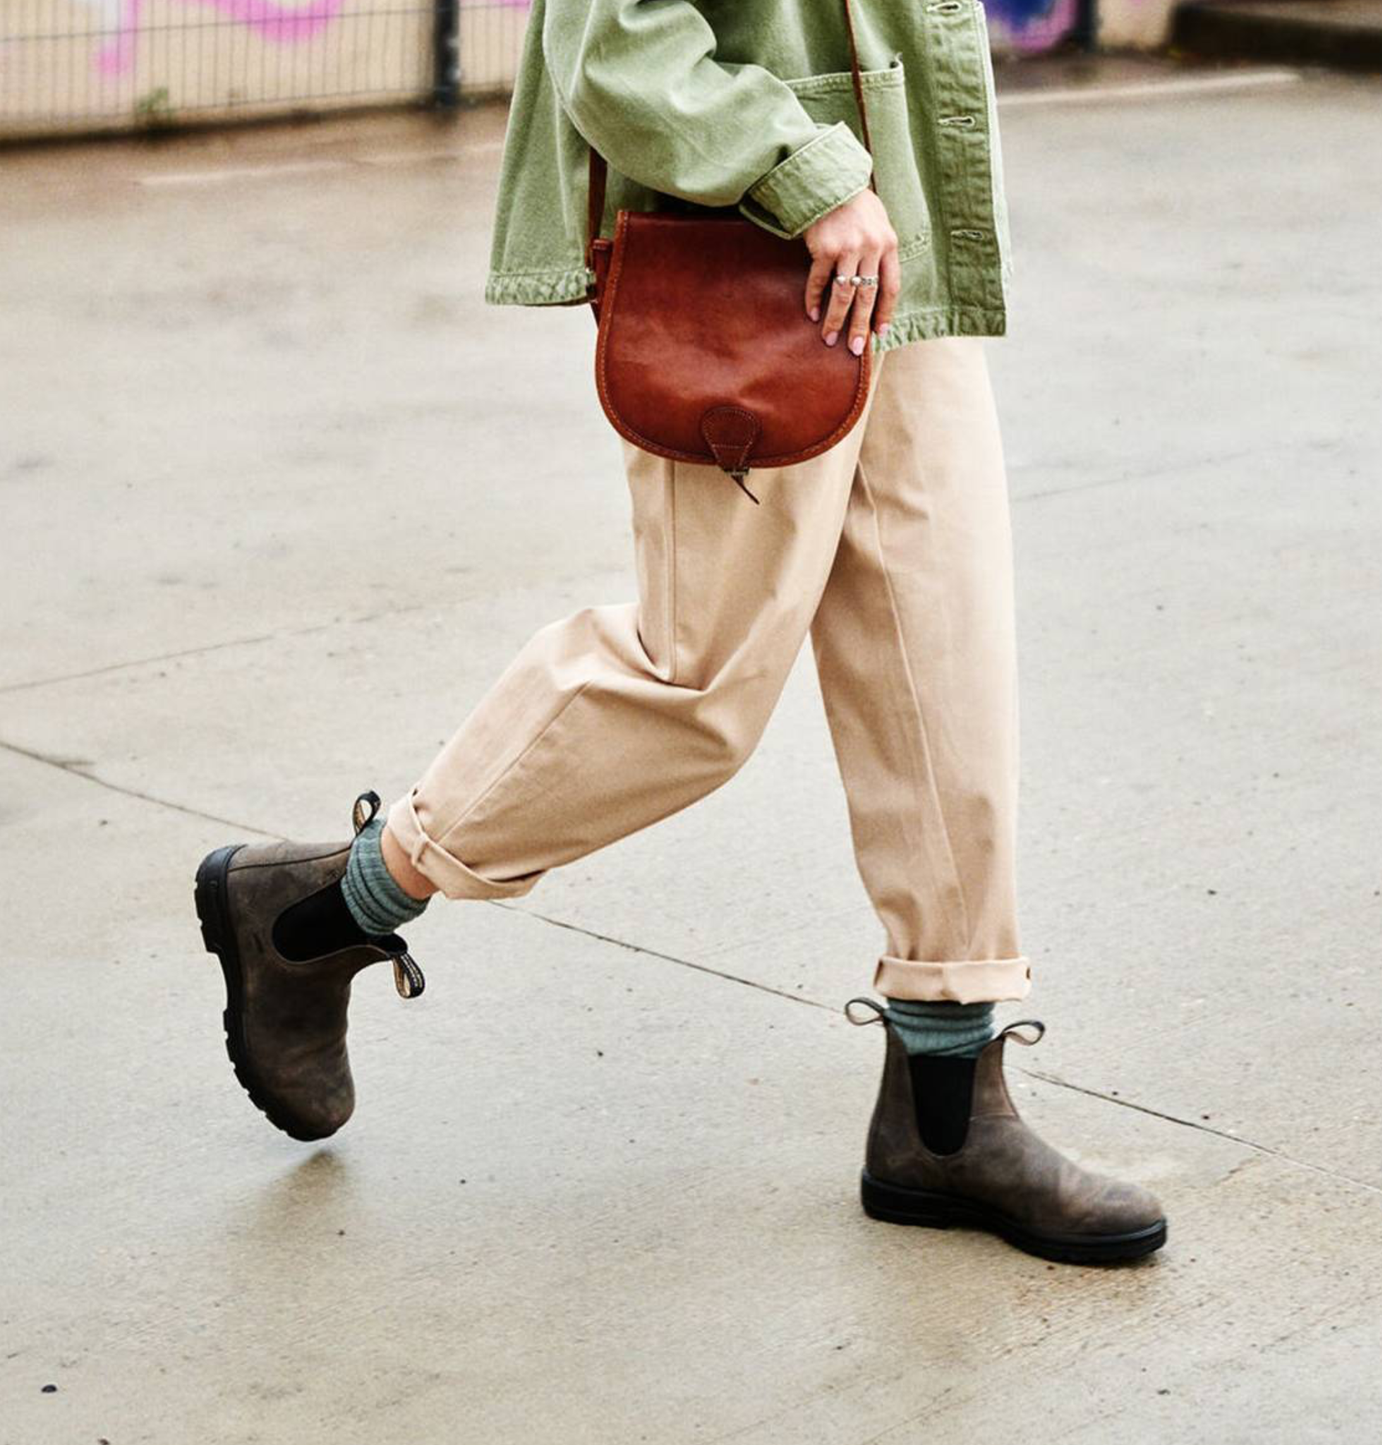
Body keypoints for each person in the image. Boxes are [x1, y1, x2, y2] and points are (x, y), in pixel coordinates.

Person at [193, 0, 1167, 1265]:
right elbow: (613, 41)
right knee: (692, 682)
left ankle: (946, 1106)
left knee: (946, 669)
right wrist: (804, 174)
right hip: (755, 245)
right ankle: (319, 907)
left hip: (894, 238)